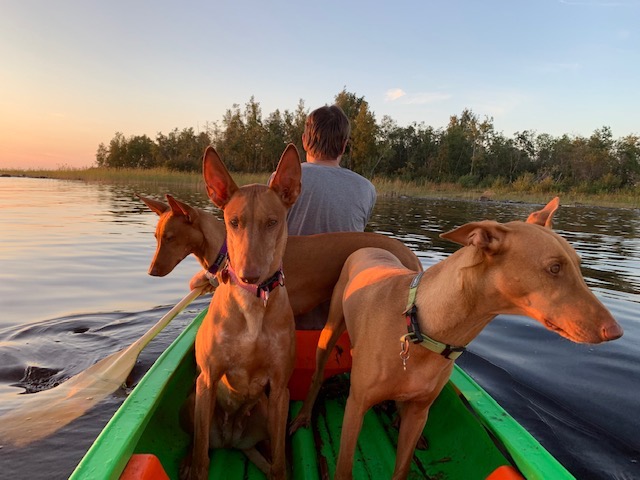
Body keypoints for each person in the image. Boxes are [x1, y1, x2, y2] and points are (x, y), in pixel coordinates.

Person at [286, 104, 377, 236]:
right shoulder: (366, 188)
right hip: (346, 257)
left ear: (304, 141)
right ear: (344, 146)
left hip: (293, 256)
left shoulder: (283, 178)